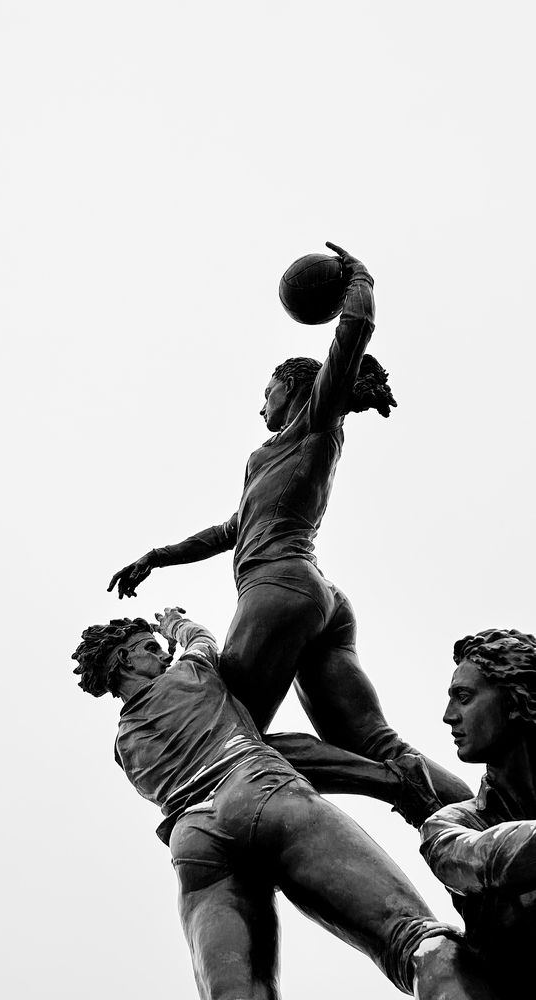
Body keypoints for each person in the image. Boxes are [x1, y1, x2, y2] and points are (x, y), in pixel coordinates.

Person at [107, 242, 471, 809]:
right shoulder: (271, 456)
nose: (262, 406)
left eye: (268, 393)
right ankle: (485, 820)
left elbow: (352, 334)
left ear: (294, 389)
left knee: (228, 738)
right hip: (316, 595)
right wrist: (158, 555)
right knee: (371, 740)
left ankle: (395, 785)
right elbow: (232, 527)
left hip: (278, 590)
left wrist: (361, 282)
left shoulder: (316, 424)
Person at [72, 607, 497, 999]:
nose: (162, 656)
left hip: (192, 841)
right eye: (149, 649)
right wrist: (174, 627)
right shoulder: (190, 671)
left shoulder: (122, 746)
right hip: (257, 788)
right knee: (414, 941)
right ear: (126, 661)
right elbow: (203, 639)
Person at [420, 628, 536, 992]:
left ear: (517, 701)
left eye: (464, 697)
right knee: (436, 954)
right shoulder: (449, 826)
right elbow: (486, 859)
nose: (448, 716)